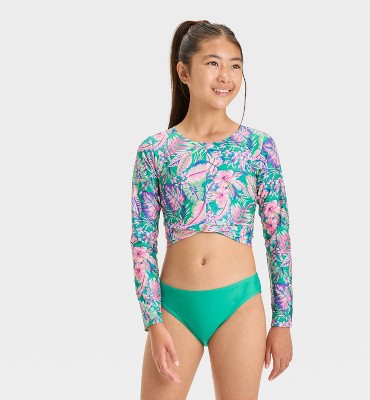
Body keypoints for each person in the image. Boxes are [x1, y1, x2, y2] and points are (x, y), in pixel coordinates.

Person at [130, 20, 293, 400]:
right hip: (174, 308)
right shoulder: (155, 150)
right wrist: (153, 321)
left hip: (239, 305)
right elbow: (141, 243)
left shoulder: (258, 147)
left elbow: (279, 239)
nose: (226, 76)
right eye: (213, 63)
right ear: (184, 72)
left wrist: (282, 322)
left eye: (235, 65)